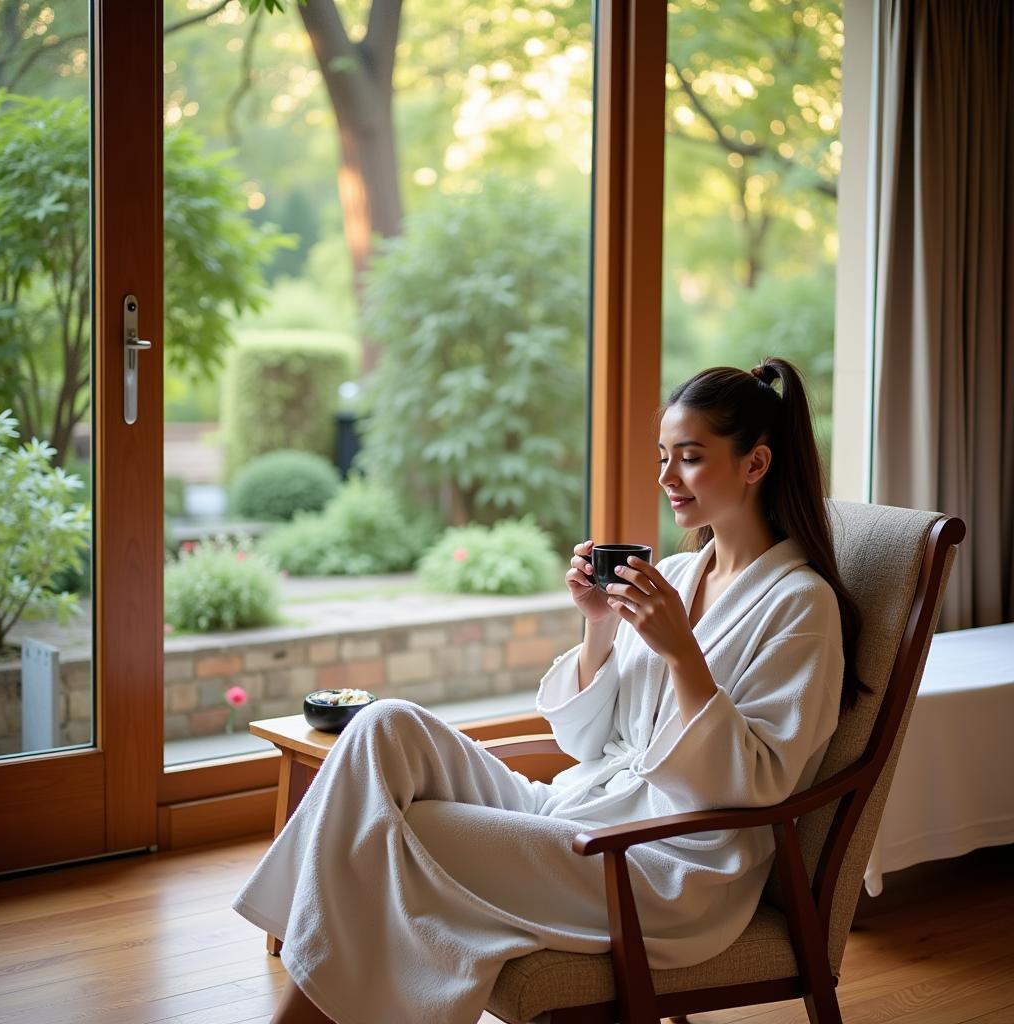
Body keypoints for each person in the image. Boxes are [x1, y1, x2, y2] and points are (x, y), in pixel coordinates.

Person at [233, 357, 865, 1024]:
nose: (666, 478)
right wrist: (598, 626)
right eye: (663, 456)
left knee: (415, 830)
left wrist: (682, 654)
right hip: (580, 808)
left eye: (689, 457)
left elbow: (760, 784)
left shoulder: (802, 605)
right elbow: (585, 740)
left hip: (666, 864)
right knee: (384, 726)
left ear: (755, 464)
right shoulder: (676, 574)